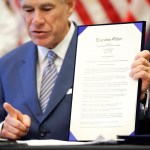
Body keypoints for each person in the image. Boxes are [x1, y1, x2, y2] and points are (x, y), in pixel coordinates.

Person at [0, 0, 150, 141]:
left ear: (70, 6)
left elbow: (129, 129)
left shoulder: (111, 54)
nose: (36, 20)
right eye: (28, 10)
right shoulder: (7, 64)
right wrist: (4, 128)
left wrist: (138, 98)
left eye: (47, 9)